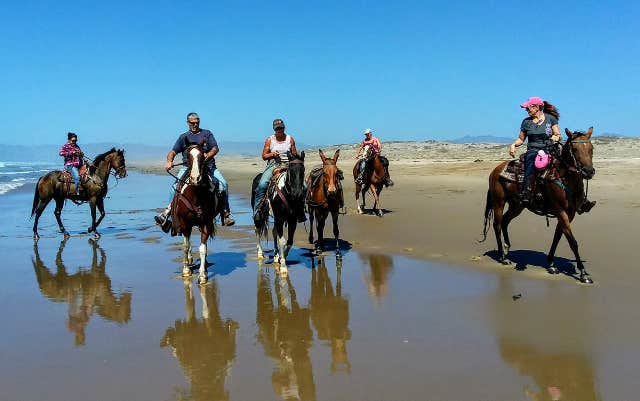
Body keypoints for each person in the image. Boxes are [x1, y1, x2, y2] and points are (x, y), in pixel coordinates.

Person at [509, 96, 594, 213]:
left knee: (571, 166)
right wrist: (513, 145)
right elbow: (521, 139)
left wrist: (555, 137)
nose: (527, 110)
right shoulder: (526, 122)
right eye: (526, 108)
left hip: (550, 148)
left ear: (537, 107)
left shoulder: (550, 119)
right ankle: (526, 192)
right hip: (533, 151)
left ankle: (581, 198)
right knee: (530, 165)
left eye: (529, 107)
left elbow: (558, 134)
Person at [154, 112, 235, 228]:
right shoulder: (183, 137)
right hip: (188, 168)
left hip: (208, 167)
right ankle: (168, 215)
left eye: (197, 122)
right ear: (188, 123)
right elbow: (173, 152)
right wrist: (169, 161)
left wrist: (207, 155)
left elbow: (215, 148)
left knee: (223, 184)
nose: (195, 125)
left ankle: (226, 213)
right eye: (192, 123)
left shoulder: (207, 134)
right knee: (174, 188)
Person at [253, 118, 306, 222]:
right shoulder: (270, 140)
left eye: (281, 128)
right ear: (274, 129)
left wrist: (297, 157)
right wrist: (272, 154)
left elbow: (294, 153)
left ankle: (301, 210)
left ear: (284, 128)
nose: (279, 130)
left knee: (303, 186)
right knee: (262, 184)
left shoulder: (290, 139)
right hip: (274, 165)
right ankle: (258, 210)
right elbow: (264, 156)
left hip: (289, 165)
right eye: (277, 129)